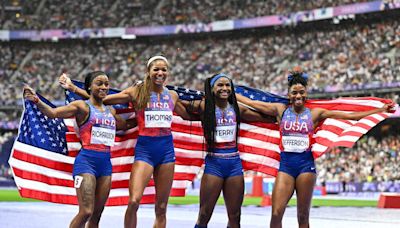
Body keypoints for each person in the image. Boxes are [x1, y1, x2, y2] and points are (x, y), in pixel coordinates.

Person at [236, 70, 394, 228]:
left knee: (303, 216)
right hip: (286, 167)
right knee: (276, 213)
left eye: (301, 92)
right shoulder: (280, 109)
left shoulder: (316, 113)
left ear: (306, 94)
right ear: (289, 95)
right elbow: (251, 103)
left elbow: (351, 115)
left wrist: (380, 111)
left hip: (305, 167)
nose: (298, 96)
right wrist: (227, 93)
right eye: (294, 92)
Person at [59, 56, 192, 228]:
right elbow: (100, 101)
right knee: (134, 201)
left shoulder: (172, 96)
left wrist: (214, 108)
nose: (160, 73)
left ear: (168, 73)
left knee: (161, 207)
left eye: (164, 69)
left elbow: (188, 115)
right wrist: (73, 88)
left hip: (167, 153)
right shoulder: (136, 92)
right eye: (156, 69)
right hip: (145, 152)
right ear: (148, 72)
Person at [23, 71, 134, 228]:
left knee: (96, 215)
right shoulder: (81, 106)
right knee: (86, 211)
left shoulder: (111, 111)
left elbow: (126, 125)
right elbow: (53, 113)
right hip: (86, 163)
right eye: (99, 83)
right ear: (89, 86)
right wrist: (36, 100)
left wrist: (146, 112)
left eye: (107, 84)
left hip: (105, 166)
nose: (104, 87)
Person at [182, 73, 275, 228]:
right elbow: (179, 104)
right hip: (214, 164)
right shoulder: (204, 107)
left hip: (234, 165)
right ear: (211, 89)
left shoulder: (237, 109)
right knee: (204, 214)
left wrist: (283, 115)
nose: (224, 88)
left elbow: (265, 116)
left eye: (227, 85)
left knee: (235, 217)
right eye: (220, 85)